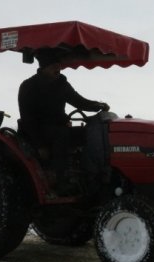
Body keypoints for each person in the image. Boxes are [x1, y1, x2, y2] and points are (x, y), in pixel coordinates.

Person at [18, 48, 109, 192]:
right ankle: (61, 180)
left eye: (58, 65)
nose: (58, 68)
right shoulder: (28, 86)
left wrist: (97, 106)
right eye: (53, 66)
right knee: (62, 134)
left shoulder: (61, 84)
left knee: (87, 133)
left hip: (58, 127)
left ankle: (92, 174)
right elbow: (28, 119)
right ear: (43, 67)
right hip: (36, 131)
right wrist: (40, 145)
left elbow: (79, 101)